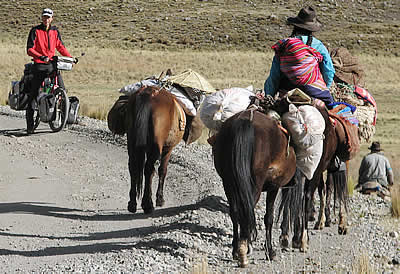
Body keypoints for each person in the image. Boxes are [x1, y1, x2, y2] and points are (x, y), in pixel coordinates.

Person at [263, 6, 335, 107]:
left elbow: (274, 76)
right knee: (332, 109)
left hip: (287, 90)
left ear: (295, 25)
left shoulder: (284, 45)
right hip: (313, 91)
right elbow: (329, 70)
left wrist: (269, 95)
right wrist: (324, 88)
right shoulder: (318, 45)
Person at [25, 8, 73, 134]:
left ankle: (64, 118)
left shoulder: (55, 31)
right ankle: (30, 125)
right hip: (40, 65)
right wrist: (41, 57)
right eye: (44, 17)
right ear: (42, 18)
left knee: (62, 90)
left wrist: (70, 58)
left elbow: (60, 47)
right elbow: (30, 49)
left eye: (48, 17)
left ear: (52, 18)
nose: (46, 19)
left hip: (52, 65)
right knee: (33, 94)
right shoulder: (35, 30)